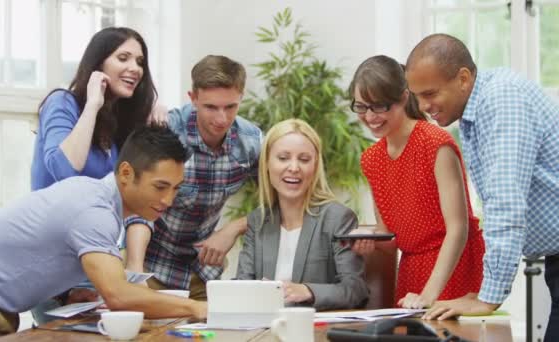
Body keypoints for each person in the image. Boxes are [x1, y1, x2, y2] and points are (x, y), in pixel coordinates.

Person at [0, 126, 207, 340]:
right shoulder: (94, 210)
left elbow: (36, 253)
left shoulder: (94, 197)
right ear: (126, 173)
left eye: (175, 189)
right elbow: (119, 295)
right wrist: (197, 307)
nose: (168, 200)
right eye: (160, 187)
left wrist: (67, 293)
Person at [404, 33, 559, 340]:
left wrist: (487, 298)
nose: (423, 106)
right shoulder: (477, 109)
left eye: (430, 93)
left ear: (463, 78)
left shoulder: (502, 101)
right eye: (416, 96)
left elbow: (506, 205)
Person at [29, 26, 156, 323]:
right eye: (123, 57)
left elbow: (131, 199)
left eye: (139, 62)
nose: (134, 68)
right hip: (54, 267)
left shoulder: (113, 134)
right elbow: (64, 168)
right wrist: (93, 103)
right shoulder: (62, 103)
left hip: (97, 264)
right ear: (98, 65)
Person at [347, 55, 484, 309]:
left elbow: (458, 229)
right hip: (411, 271)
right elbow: (390, 241)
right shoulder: (371, 159)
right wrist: (369, 244)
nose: (370, 116)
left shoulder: (434, 142)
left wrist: (429, 295)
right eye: (362, 106)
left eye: (380, 106)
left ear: (403, 97)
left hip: (455, 265)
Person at [124, 55, 262, 300]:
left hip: (203, 272)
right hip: (150, 266)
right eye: (210, 107)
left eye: (230, 107)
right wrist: (134, 270)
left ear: (241, 97)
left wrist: (232, 228)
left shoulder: (250, 142)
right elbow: (138, 205)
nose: (221, 119)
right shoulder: (168, 131)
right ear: (193, 98)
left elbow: (282, 200)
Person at [235, 119, 369, 311]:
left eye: (304, 160)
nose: (294, 167)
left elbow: (356, 290)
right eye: (283, 158)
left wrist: (308, 291)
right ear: (266, 164)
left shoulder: (338, 218)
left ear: (315, 167)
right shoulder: (257, 220)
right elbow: (243, 286)